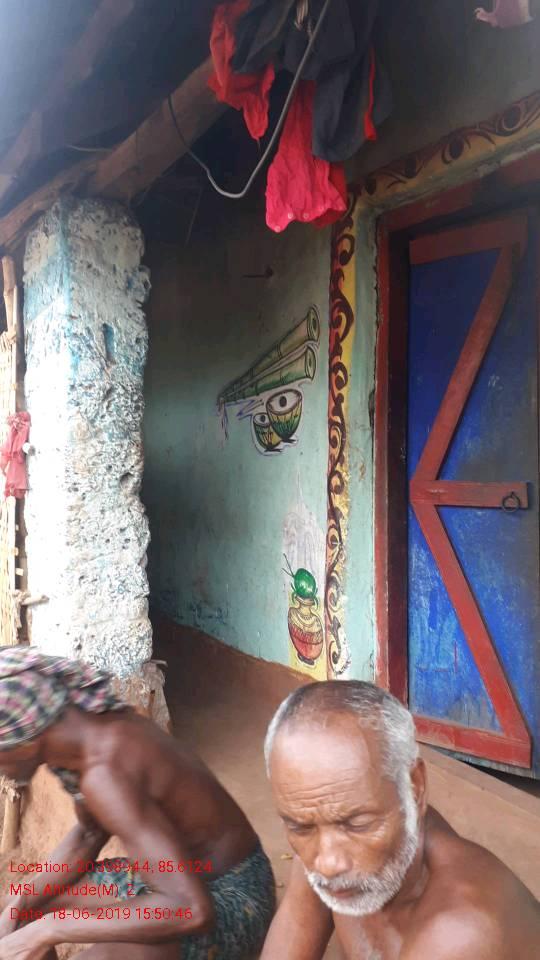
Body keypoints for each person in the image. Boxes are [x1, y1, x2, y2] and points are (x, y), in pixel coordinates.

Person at [0, 646, 275, 960]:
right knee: (20, 911)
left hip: (235, 895)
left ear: (27, 741)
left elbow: (189, 909)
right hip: (169, 880)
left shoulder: (107, 770)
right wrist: (22, 902)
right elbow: (89, 834)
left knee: (98, 957)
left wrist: (51, 928)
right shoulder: (87, 742)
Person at [260, 680, 540, 960]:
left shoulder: (458, 933)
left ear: (414, 788)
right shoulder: (324, 834)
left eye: (357, 824)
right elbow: (295, 922)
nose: (328, 864)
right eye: (300, 827)